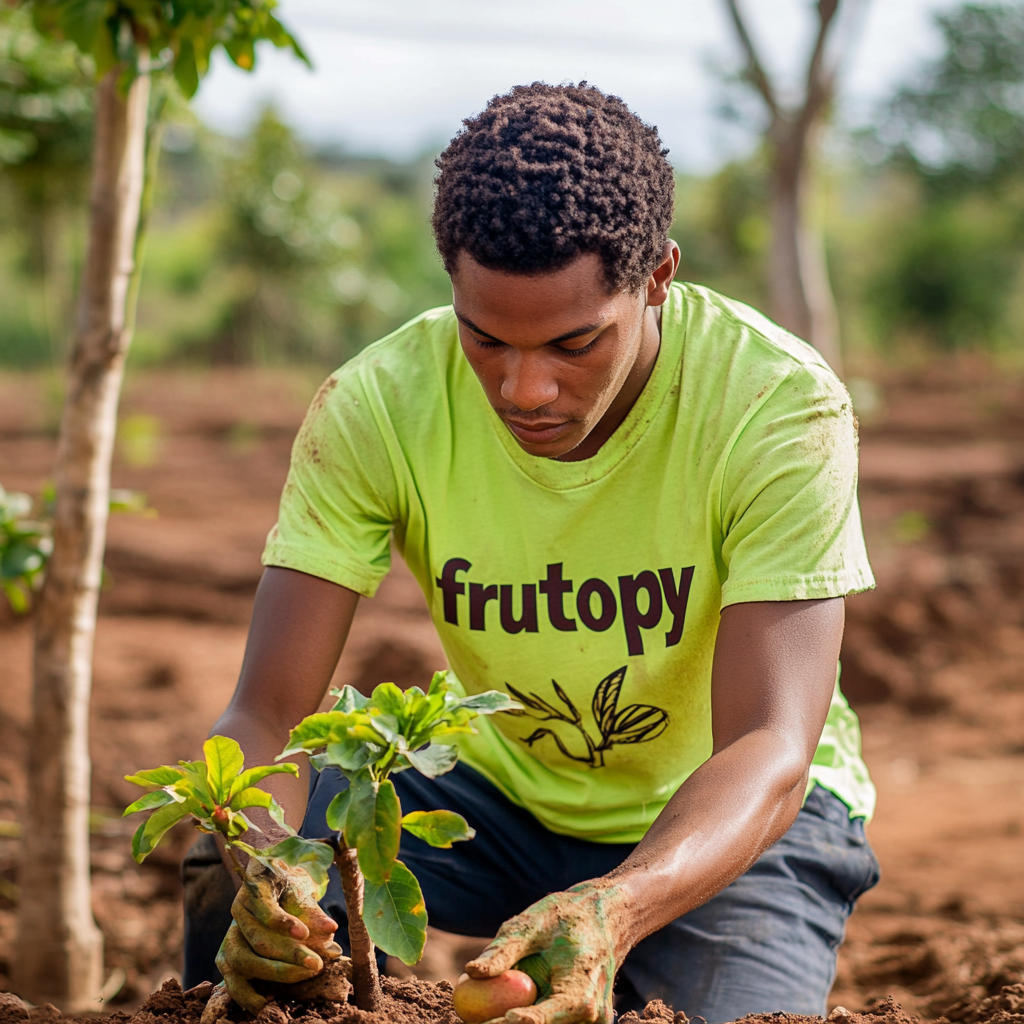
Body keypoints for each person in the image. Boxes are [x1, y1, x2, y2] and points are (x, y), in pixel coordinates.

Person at [181, 81, 879, 1024]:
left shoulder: (774, 407)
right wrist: (271, 875)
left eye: (574, 342)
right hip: (497, 798)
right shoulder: (379, 406)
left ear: (659, 278)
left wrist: (617, 905)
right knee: (238, 857)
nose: (525, 388)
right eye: (484, 337)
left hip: (731, 818)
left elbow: (771, 743)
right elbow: (265, 712)